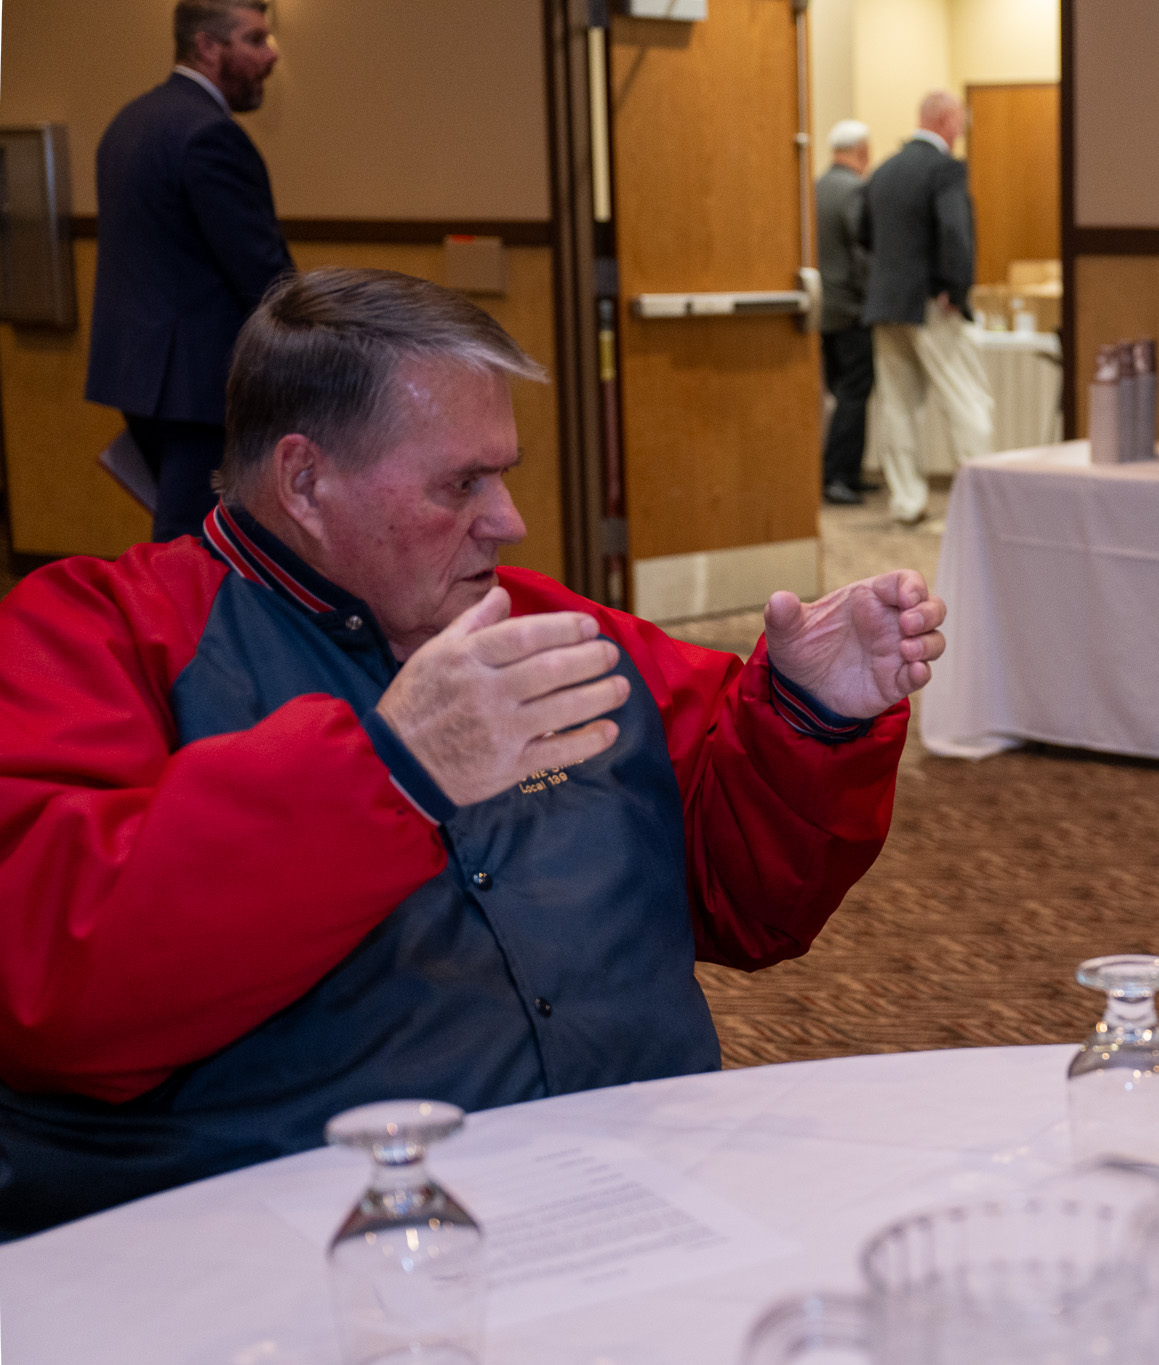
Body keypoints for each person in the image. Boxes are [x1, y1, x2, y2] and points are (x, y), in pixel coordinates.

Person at [0, 268, 947, 1236]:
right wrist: (389, 775)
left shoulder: (543, 626)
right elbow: (49, 988)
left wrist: (806, 718)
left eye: (503, 475)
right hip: (315, 1249)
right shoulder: (102, 638)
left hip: (640, 1200)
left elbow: (739, 902)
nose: (510, 521)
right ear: (304, 482)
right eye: (461, 485)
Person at [86, 0, 295, 543]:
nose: (271, 56)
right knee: (197, 544)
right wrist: (320, 341)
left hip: (139, 375)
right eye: (254, 40)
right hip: (200, 384)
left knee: (188, 536)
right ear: (206, 46)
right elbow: (262, 274)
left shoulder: (131, 121)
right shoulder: (209, 134)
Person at [861, 90, 994, 526]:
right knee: (967, 399)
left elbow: (863, 233)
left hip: (885, 302)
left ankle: (907, 501)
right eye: (960, 121)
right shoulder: (945, 168)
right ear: (946, 120)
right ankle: (981, 502)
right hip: (933, 304)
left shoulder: (882, 171)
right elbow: (955, 231)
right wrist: (956, 288)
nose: (961, 130)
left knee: (898, 406)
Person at [817, 119, 874, 507]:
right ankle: (838, 475)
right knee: (854, 394)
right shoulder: (855, 190)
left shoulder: (815, 187)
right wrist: (871, 299)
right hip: (851, 310)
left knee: (838, 393)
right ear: (862, 151)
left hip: (822, 309)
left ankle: (847, 473)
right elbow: (861, 254)